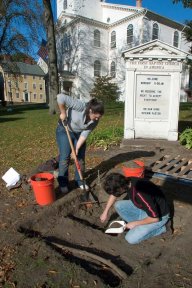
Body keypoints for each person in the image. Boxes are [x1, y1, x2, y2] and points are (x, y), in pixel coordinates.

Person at [100, 173, 170, 244]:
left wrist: (134, 223)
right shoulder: (126, 181)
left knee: (130, 239)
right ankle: (139, 226)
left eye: (116, 192)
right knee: (118, 205)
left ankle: (161, 229)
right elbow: (114, 195)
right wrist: (105, 211)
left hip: (159, 217)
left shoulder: (141, 194)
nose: (115, 194)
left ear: (121, 188)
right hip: (145, 209)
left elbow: (155, 218)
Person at [56, 93, 104, 194]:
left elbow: (84, 134)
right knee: (65, 158)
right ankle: (63, 183)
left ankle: (80, 181)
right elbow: (60, 97)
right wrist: (63, 112)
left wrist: (76, 149)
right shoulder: (80, 106)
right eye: (95, 117)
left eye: (98, 118)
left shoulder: (95, 121)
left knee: (80, 157)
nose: (97, 119)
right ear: (91, 111)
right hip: (65, 130)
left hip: (79, 134)